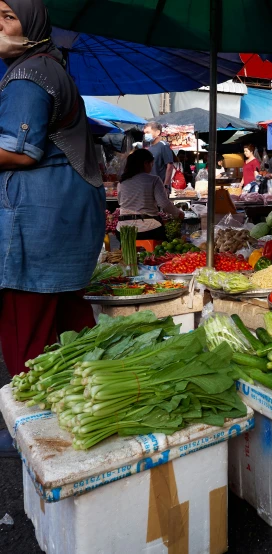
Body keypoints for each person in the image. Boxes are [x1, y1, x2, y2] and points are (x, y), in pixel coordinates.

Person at [0, 0, 106, 454]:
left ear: (33, 25)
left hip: (41, 224)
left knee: (27, 328)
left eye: (6, 17)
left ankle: (29, 427)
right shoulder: (49, 67)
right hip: (65, 220)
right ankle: (74, 412)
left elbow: (22, 151)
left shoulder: (27, 76)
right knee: (69, 324)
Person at [116, 149, 184, 241]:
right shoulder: (154, 180)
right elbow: (164, 204)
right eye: (152, 164)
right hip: (148, 229)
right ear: (145, 163)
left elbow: (120, 202)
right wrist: (178, 213)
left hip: (122, 229)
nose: (152, 167)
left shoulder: (122, 182)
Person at [143, 121, 175, 192]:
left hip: (161, 187)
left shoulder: (163, 146)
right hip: (150, 186)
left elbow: (170, 166)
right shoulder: (150, 147)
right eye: (145, 133)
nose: (146, 135)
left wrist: (166, 185)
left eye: (148, 132)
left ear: (157, 132)